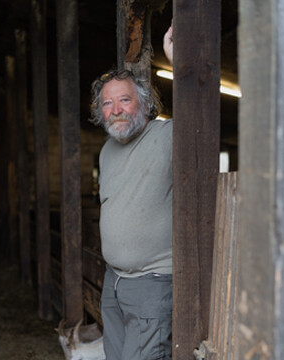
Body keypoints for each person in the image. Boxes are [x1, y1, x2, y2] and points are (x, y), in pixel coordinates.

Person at [89, 24, 174, 360]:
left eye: (125, 99)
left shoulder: (166, 136)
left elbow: (201, 108)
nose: (117, 109)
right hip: (114, 282)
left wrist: (180, 63)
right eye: (107, 103)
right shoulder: (106, 151)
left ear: (144, 102)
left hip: (152, 282)